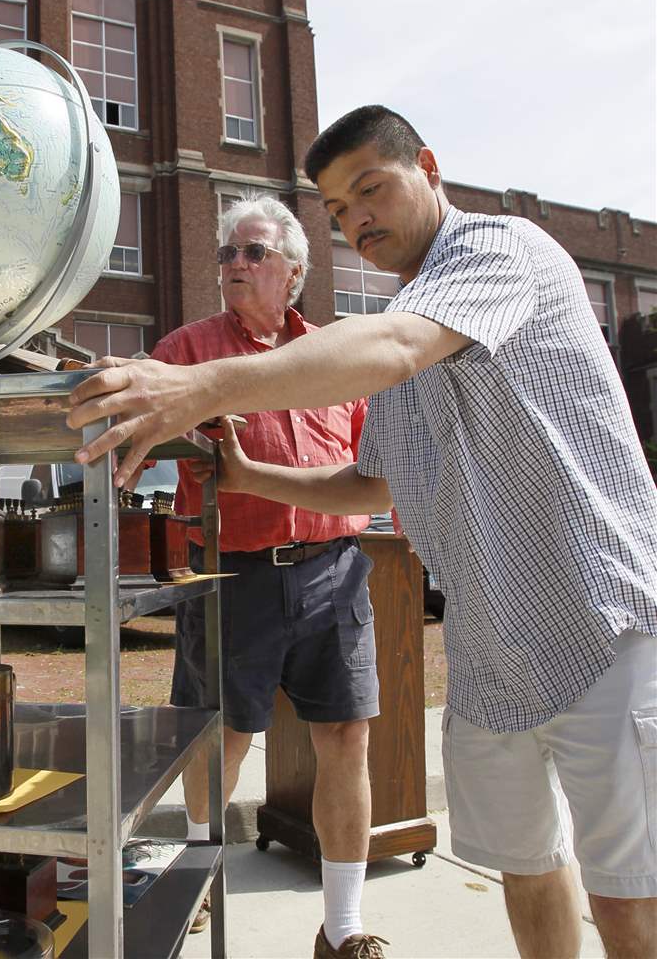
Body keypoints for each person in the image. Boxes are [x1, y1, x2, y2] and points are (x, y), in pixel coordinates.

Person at [67, 105, 657, 959]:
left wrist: (201, 388)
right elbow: (373, 481)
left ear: (428, 167)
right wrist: (248, 476)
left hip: (598, 623)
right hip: (487, 647)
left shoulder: (495, 252)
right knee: (531, 868)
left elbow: (395, 346)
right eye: (339, 209)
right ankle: (205, 871)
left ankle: (340, 922)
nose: (357, 220)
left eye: (370, 190)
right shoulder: (391, 328)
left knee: (628, 896)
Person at [149, 195, 385, 957]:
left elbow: (369, 464)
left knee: (346, 737)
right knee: (221, 739)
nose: (235, 265)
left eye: (253, 252)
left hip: (334, 571)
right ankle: (192, 886)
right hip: (232, 575)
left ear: (295, 272)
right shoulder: (189, 350)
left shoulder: (336, 356)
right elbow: (132, 404)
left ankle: (343, 927)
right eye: (227, 253)